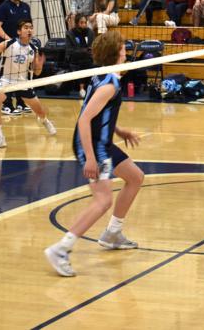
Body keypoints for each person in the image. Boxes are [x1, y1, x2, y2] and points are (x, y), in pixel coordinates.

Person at [45, 31, 145, 277]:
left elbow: (96, 112)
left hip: (104, 141)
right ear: (115, 52)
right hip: (93, 145)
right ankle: (61, 248)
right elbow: (84, 120)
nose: (125, 50)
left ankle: (112, 233)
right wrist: (90, 157)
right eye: (122, 47)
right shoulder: (109, 85)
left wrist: (119, 130)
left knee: (135, 177)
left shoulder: (104, 75)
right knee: (103, 200)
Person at [0, 20, 56, 149]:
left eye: (31, 28)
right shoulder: (9, 44)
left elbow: (37, 72)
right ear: (19, 31)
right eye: (26, 27)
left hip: (22, 83)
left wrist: (40, 64)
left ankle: (45, 121)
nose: (29, 30)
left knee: (39, 110)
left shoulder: (34, 49)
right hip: (5, 80)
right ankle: (0, 138)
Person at [66, 15, 95, 98]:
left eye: (85, 23)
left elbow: (92, 47)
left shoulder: (90, 32)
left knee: (89, 60)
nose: (84, 25)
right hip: (75, 58)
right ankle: (81, 88)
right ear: (76, 23)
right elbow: (70, 50)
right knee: (81, 60)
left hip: (87, 58)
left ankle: (89, 88)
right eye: (81, 23)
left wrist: (88, 51)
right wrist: (83, 51)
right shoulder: (70, 33)